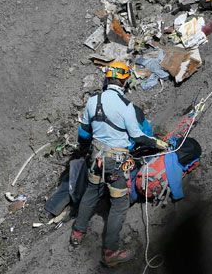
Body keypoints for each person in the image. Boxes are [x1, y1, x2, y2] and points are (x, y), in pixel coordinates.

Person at [69, 61, 168, 268]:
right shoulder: (126, 107)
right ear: (124, 81)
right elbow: (138, 136)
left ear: (107, 78)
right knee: (119, 205)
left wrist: (84, 150)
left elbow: (84, 133)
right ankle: (111, 252)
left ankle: (77, 232)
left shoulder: (93, 101)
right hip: (115, 162)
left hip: (96, 158)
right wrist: (158, 144)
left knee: (90, 194)